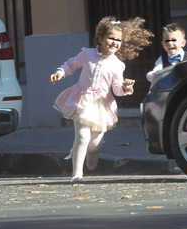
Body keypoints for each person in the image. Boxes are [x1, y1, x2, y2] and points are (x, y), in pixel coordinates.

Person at [50, 16, 153, 183]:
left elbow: (117, 90)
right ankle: (77, 174)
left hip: (101, 105)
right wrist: (60, 72)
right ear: (100, 38)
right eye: (111, 38)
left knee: (94, 143)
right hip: (82, 100)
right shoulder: (87, 54)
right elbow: (71, 64)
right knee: (82, 136)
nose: (114, 42)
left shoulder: (118, 65)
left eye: (118, 40)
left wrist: (126, 88)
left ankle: (92, 152)